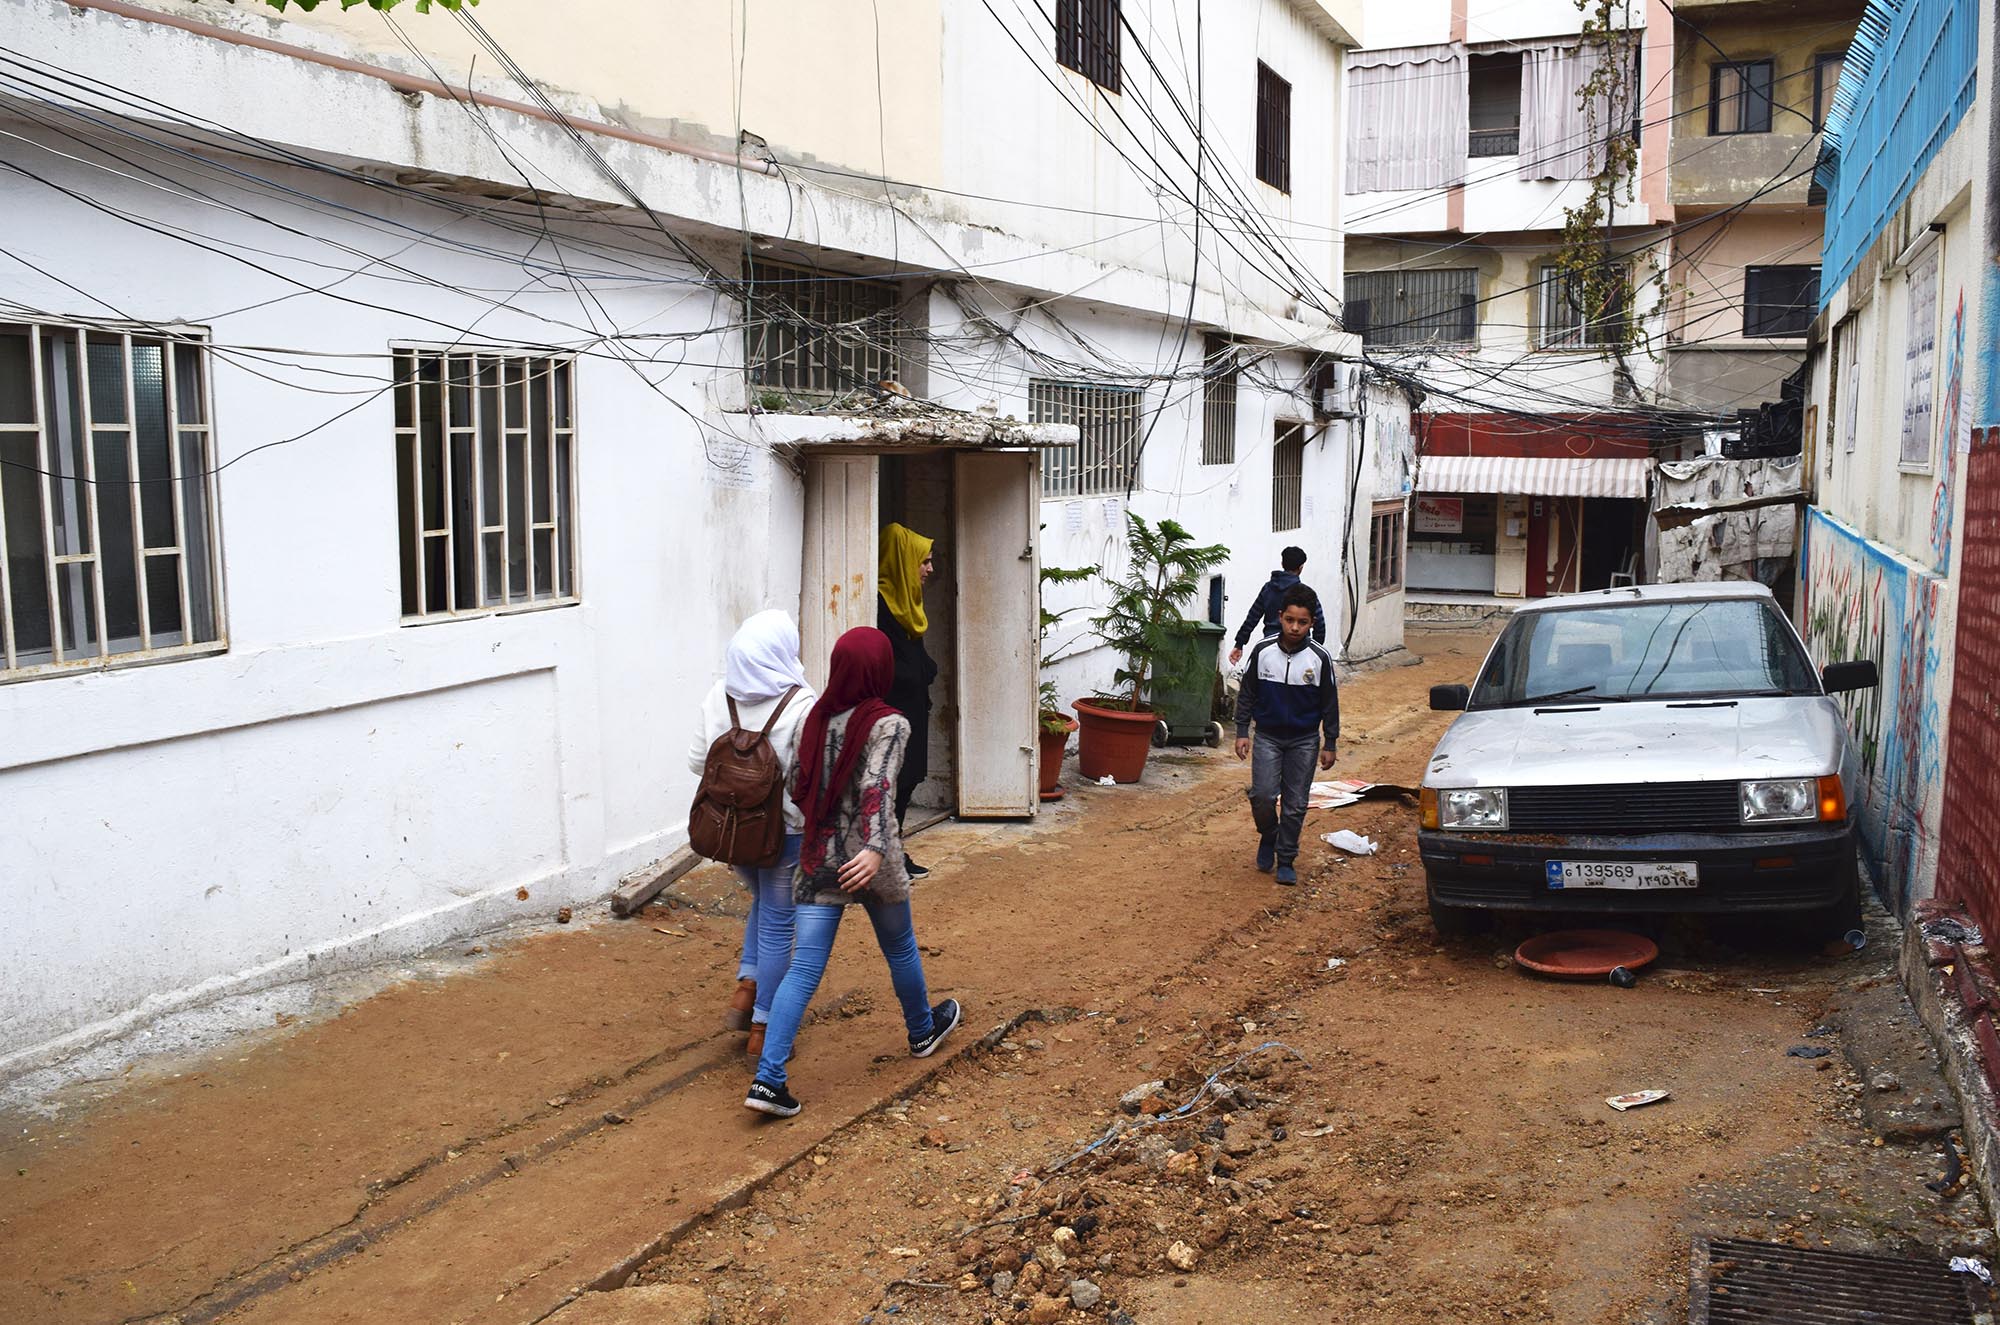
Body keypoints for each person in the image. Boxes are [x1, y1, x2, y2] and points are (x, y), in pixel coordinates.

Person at [744, 626, 962, 1118]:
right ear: (879, 670)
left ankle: (768, 1080)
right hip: (868, 860)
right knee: (900, 946)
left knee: (803, 968)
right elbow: (876, 788)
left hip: (820, 857)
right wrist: (875, 848)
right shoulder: (889, 723)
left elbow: (799, 784)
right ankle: (921, 1029)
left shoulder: (813, 720)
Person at [687, 610, 816, 1060]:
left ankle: (746, 986)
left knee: (762, 903)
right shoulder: (802, 704)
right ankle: (763, 1025)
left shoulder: (717, 697)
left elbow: (696, 762)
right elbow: (808, 777)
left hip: (731, 834)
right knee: (781, 923)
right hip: (786, 834)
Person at [1233, 586, 1340, 887]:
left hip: (1304, 740)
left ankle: (1287, 857)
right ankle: (1269, 834)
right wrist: (1243, 731)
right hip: (1267, 736)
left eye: (1302, 622)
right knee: (1264, 796)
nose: (1295, 627)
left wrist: (1329, 742)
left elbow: (1329, 703)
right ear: (1279, 617)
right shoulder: (1263, 651)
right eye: (1289, 620)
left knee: (1295, 804)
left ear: (1311, 624)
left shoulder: (1319, 658)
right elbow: (1247, 694)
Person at [877, 522, 940, 878]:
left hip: (913, 710)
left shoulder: (906, 602)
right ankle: (884, 855)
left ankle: (893, 851)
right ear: (903, 561)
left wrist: (924, 669)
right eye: (924, 561)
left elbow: (915, 658)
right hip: (891, 712)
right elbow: (892, 666)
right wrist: (920, 672)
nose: (929, 569)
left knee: (907, 781)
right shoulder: (879, 606)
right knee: (889, 784)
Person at [1228, 546, 1327, 666]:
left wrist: (1239, 644)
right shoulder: (1305, 594)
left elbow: (1252, 617)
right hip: (1299, 648)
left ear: (1282, 563)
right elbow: (1320, 625)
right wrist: (1315, 650)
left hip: (1271, 647)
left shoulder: (1268, 589)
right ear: (1301, 568)